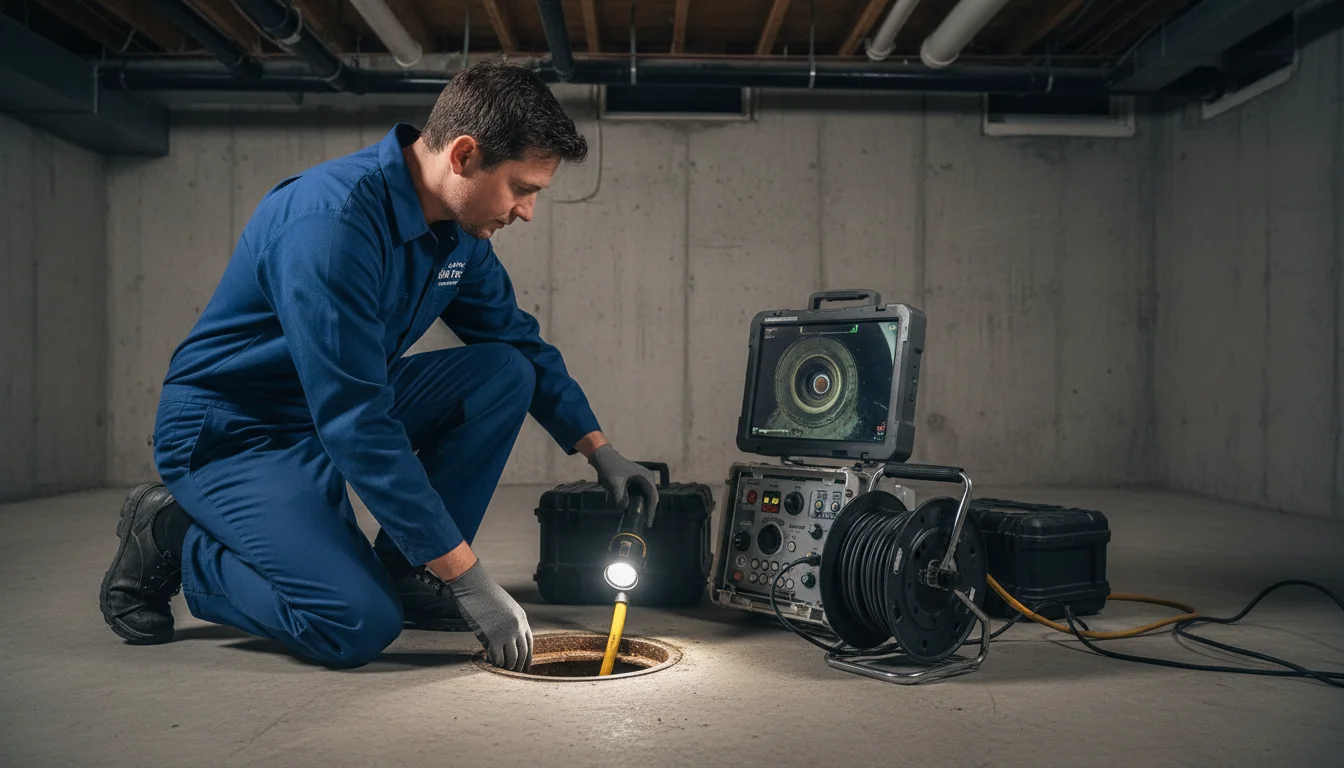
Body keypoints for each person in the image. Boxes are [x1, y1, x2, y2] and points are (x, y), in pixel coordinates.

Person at [97, 61, 660, 673]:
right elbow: (358, 424)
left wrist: (599, 449)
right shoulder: (331, 226)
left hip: (330, 407)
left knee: (503, 373)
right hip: (239, 432)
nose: (526, 211)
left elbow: (515, 340)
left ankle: (416, 572)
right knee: (354, 622)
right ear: (465, 156)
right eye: (522, 188)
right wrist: (469, 578)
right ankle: (177, 538)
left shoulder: (459, 231)